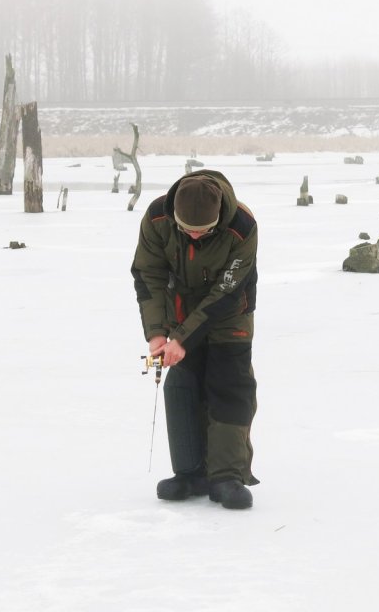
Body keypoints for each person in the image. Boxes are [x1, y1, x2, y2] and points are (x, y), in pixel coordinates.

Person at [131, 170, 259, 509]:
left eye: (203, 230)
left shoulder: (242, 226)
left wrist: (182, 338)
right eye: (188, 229)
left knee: (228, 386)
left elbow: (227, 291)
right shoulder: (157, 217)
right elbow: (149, 274)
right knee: (182, 386)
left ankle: (228, 477)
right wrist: (158, 333)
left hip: (230, 315)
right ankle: (190, 472)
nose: (195, 235)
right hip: (180, 314)